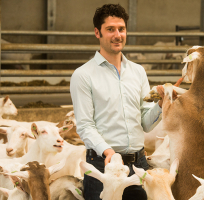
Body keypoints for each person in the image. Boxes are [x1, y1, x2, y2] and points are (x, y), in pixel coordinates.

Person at [70, 4, 165, 200]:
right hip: (103, 165)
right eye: (110, 29)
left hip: (138, 165)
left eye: (121, 29)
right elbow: (86, 126)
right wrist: (109, 152)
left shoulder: (138, 72)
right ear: (97, 32)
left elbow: (146, 124)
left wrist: (162, 105)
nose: (117, 35)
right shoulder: (83, 75)